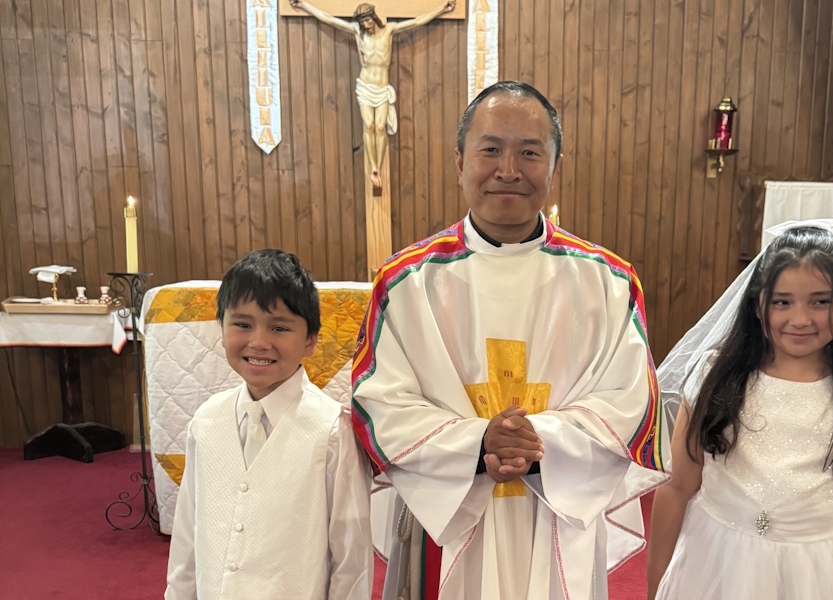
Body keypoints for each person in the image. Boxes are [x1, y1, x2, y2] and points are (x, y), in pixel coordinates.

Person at [351, 81, 669, 600]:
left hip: (559, 514)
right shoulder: (407, 282)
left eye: (529, 152)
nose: (508, 170)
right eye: (490, 150)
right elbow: (377, 404)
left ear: (556, 167)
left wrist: (538, 443)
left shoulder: (608, 282)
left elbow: (630, 404)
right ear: (459, 162)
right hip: (449, 516)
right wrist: (476, 445)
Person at [646, 221, 833, 600]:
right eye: (782, 301)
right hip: (716, 558)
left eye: (820, 301)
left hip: (819, 570)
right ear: (757, 303)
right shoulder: (715, 375)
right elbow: (678, 487)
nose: (800, 319)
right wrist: (655, 588)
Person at [164, 249, 372, 600]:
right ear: (222, 327)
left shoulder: (333, 432)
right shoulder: (207, 420)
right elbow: (188, 537)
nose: (259, 342)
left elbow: (351, 557)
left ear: (310, 340)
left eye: (279, 327)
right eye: (242, 324)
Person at [290, 0, 456, 188]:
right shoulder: (357, 32)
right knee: (368, 125)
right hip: (365, 87)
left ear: (374, 17)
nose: (366, 25)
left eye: (368, 21)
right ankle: (374, 169)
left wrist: (441, 9)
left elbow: (417, 22)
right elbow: (329, 19)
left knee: (379, 127)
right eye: (362, 23)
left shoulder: (389, 30)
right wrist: (304, 5)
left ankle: (377, 163)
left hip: (382, 88)